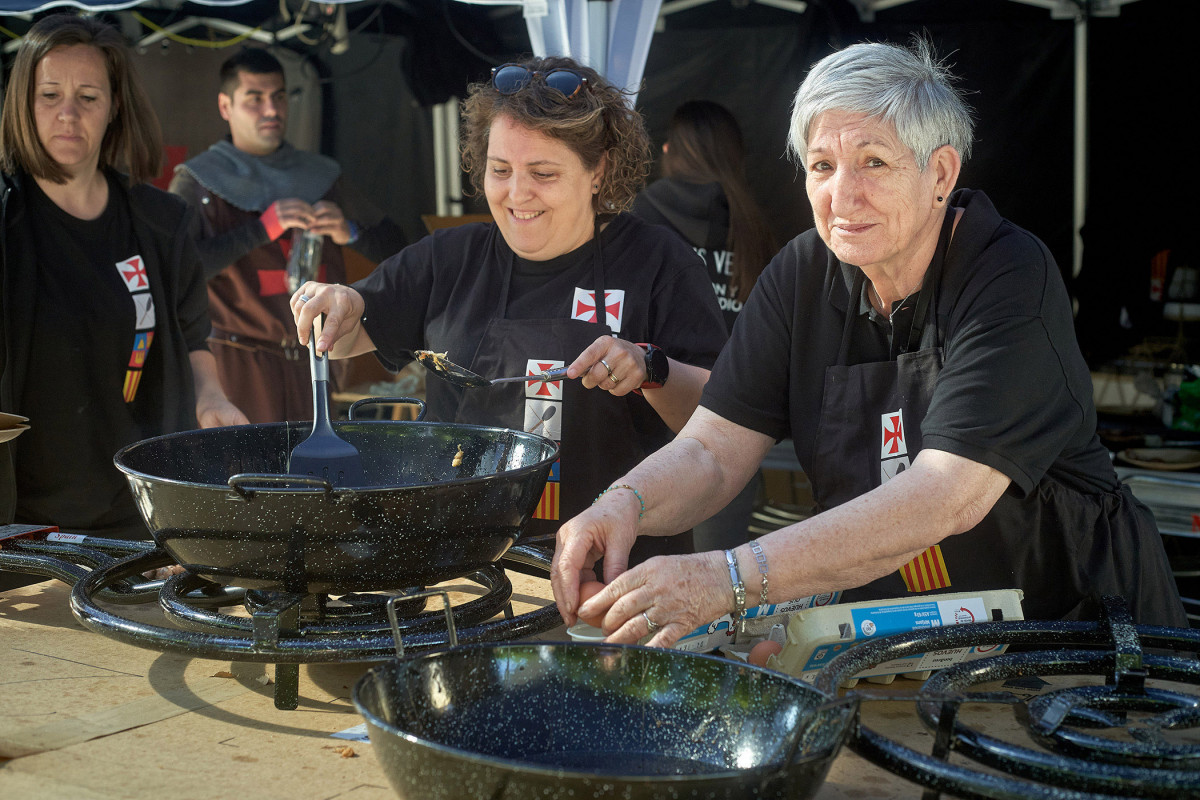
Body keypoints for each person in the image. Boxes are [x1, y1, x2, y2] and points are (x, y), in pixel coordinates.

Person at [551, 39, 1187, 646]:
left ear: (940, 172)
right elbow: (715, 449)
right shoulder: (800, 275)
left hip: (1072, 635)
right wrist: (621, 504)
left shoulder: (1008, 273)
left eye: (874, 163)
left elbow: (946, 494)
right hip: (906, 635)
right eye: (822, 166)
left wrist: (731, 580)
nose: (841, 195)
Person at [291, 56, 727, 559]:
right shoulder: (450, 258)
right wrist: (339, 302)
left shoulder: (658, 263)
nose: (517, 194)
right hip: (467, 567)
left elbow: (721, 417)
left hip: (619, 569)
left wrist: (651, 368)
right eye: (501, 170)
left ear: (597, 171)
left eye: (543, 173)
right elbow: (343, 335)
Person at [0, 13, 246, 589]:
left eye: (88, 96)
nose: (68, 112)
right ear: (22, 104)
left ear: (114, 107)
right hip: (23, 536)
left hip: (136, 527)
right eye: (50, 95)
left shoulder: (160, 224)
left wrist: (212, 400)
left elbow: (191, 340)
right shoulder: (6, 221)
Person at [168, 48, 407, 424]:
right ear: (225, 106)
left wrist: (351, 232)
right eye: (255, 99)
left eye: (279, 96)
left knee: (315, 480)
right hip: (236, 367)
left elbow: (404, 250)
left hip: (315, 363)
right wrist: (259, 230)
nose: (271, 110)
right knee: (247, 477)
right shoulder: (197, 181)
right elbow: (175, 270)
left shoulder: (322, 176)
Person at [632, 100, 778, 552]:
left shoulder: (639, 217)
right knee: (720, 567)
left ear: (671, 151)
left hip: (651, 406)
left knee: (637, 560)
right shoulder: (754, 221)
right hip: (737, 413)